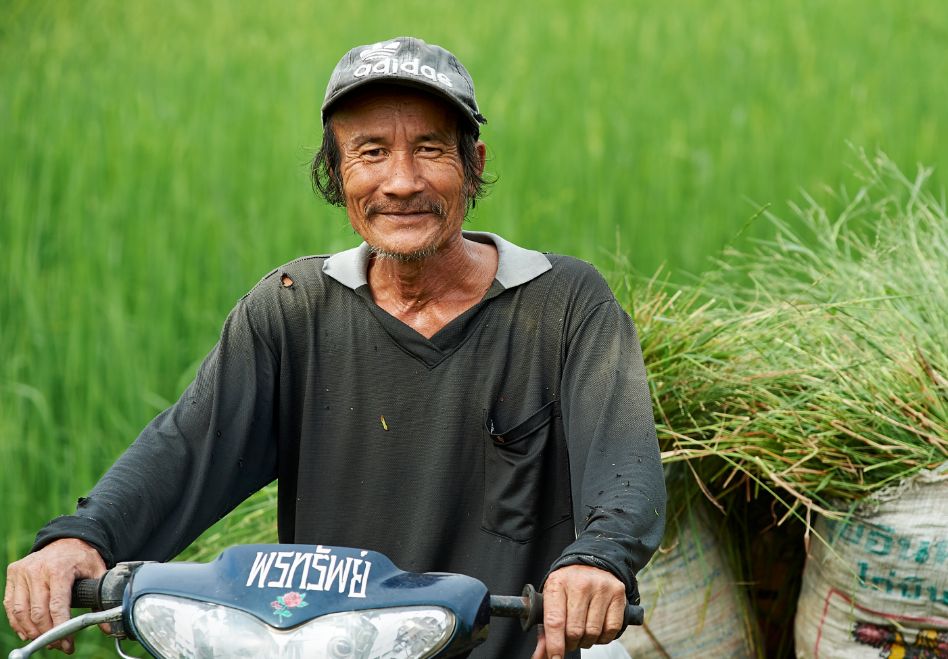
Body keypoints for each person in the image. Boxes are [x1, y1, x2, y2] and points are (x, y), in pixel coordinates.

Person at [4, 37, 666, 658]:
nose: (401, 181)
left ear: (474, 165)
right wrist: (82, 538)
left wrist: (596, 558)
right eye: (371, 152)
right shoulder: (294, 308)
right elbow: (186, 446)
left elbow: (623, 465)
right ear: (336, 172)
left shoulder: (564, 305)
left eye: (430, 149)